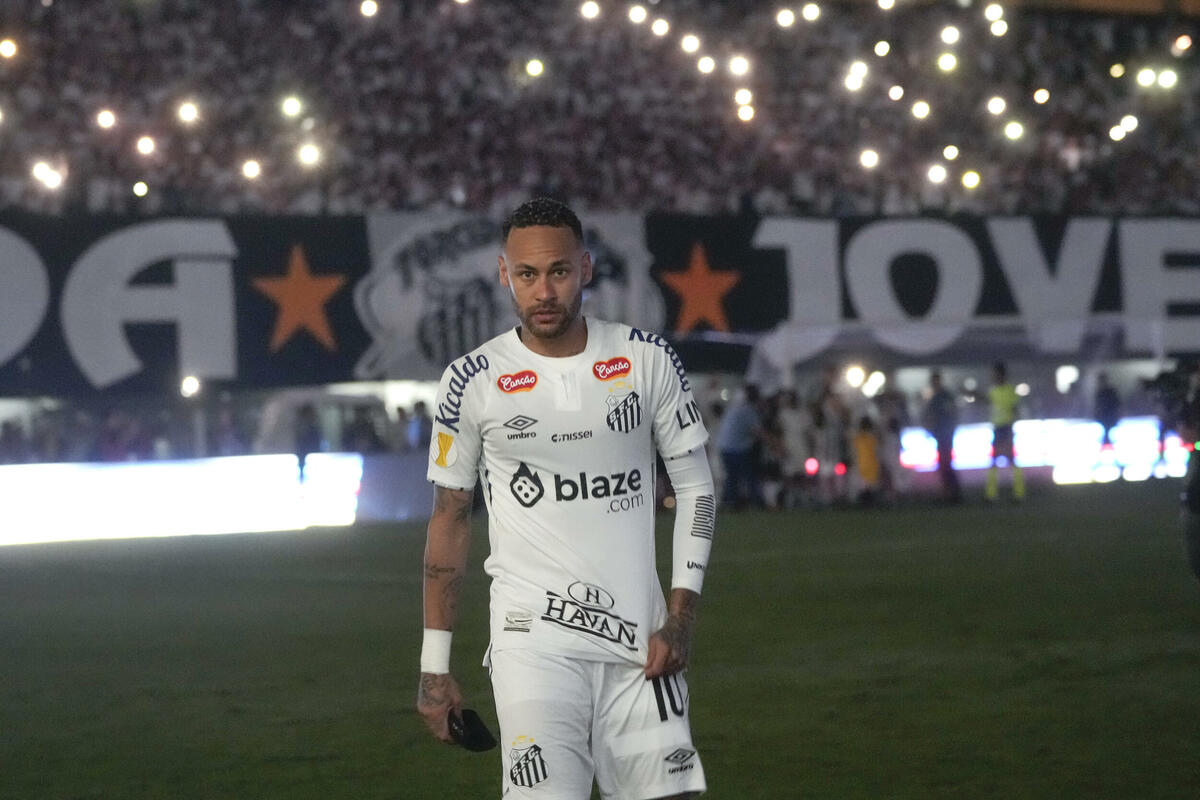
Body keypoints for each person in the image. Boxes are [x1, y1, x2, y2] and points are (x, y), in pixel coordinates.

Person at [417, 198, 714, 799]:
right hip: (534, 644)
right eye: (527, 274)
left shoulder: (646, 358)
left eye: (558, 271)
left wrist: (680, 619)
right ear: (504, 274)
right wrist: (434, 665)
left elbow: (696, 488)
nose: (544, 291)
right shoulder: (471, 380)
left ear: (585, 267)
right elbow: (450, 519)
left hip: (643, 647)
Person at [715, 384, 764, 510]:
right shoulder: (749, 410)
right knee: (748, 475)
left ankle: (730, 502)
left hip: (725, 446)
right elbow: (757, 432)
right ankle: (755, 501)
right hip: (736, 448)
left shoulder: (735, 407)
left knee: (732, 476)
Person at [986, 361, 1025, 502]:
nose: (993, 376)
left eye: (995, 374)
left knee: (1011, 460)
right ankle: (991, 494)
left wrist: (1012, 425)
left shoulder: (1010, 390)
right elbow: (987, 402)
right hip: (997, 428)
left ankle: (1019, 493)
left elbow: (1016, 409)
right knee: (994, 461)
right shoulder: (993, 390)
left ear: (1001, 374)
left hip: (1006, 428)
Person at [923, 371, 962, 504]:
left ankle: (952, 493)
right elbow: (930, 415)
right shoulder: (935, 397)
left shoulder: (944, 396)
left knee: (946, 463)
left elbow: (952, 412)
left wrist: (951, 428)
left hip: (946, 434)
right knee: (943, 464)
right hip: (940, 433)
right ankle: (949, 492)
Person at [1094, 372, 1121, 446]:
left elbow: (1117, 404)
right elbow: (1098, 406)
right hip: (1104, 417)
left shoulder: (1110, 391)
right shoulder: (1100, 392)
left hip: (1110, 417)